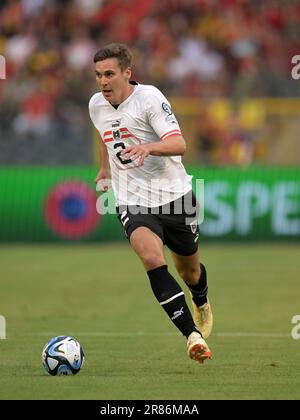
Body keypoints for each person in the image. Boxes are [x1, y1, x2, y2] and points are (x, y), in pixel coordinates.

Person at [89, 43, 213, 364]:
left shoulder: (149, 99)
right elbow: (105, 134)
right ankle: (192, 336)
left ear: (127, 73)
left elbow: (179, 143)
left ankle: (201, 300)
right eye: (98, 75)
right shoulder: (96, 105)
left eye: (109, 74)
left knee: (190, 271)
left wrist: (149, 147)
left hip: (175, 197)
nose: (103, 81)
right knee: (151, 257)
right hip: (132, 200)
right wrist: (105, 167)